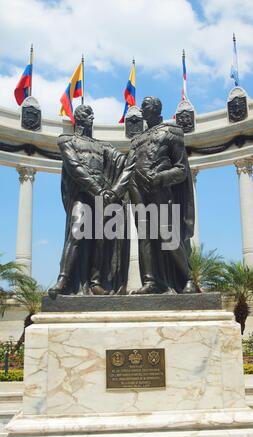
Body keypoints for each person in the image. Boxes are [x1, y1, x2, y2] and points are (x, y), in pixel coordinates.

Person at [49, 104, 135, 297]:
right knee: (77, 231)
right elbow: (74, 167)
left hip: (102, 194)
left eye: (92, 114)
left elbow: (122, 161)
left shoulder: (102, 145)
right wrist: (98, 190)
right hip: (83, 193)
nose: (92, 116)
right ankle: (64, 279)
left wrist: (137, 152)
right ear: (77, 118)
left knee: (101, 238)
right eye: (87, 113)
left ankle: (96, 281)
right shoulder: (66, 139)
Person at [129, 96, 197, 294]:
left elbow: (181, 169)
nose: (141, 109)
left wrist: (160, 178)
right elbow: (128, 165)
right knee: (144, 235)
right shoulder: (136, 140)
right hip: (137, 189)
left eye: (145, 105)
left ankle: (187, 278)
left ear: (157, 108)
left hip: (160, 189)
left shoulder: (172, 132)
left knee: (167, 233)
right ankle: (151, 281)